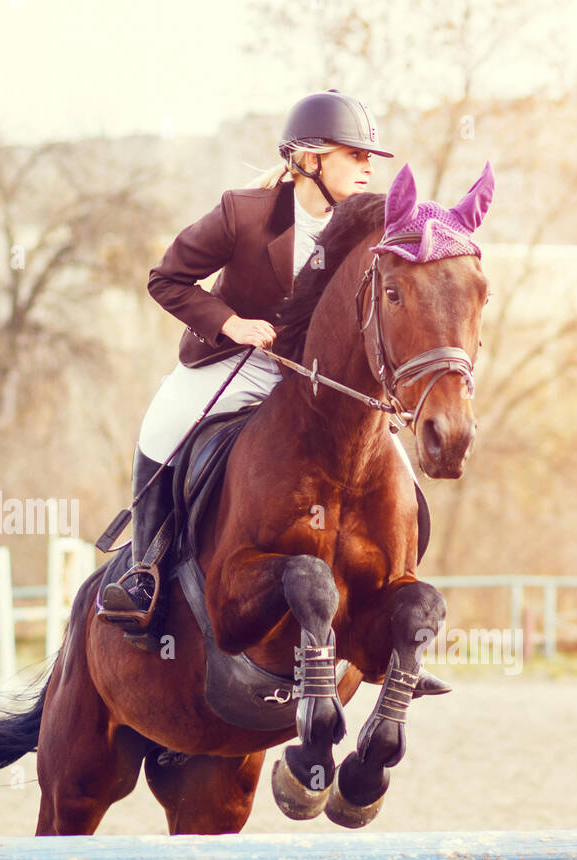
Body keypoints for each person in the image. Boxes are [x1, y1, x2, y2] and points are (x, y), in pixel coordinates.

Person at [100, 90, 393, 619]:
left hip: (317, 382)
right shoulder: (246, 214)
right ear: (309, 158)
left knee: (390, 457)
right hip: (233, 365)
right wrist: (230, 324)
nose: (367, 167)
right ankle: (144, 569)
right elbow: (166, 279)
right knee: (163, 426)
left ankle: (395, 592)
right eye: (355, 154)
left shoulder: (364, 230)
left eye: (369, 157)